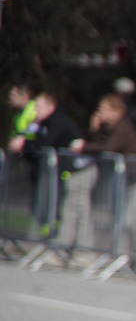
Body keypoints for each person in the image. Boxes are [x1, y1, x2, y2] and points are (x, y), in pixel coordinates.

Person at [81, 93, 136, 260]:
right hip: (132, 178)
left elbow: (108, 148)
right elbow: (104, 145)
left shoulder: (123, 127)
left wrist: (83, 146)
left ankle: (133, 260)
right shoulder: (113, 128)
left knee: (130, 220)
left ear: (116, 112)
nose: (98, 112)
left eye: (103, 109)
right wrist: (96, 130)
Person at [9, 89, 88, 239]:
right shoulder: (41, 122)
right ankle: (50, 240)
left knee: (71, 209)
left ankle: (63, 244)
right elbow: (37, 143)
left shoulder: (58, 120)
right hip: (57, 171)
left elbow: (47, 143)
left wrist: (24, 144)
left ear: (51, 105)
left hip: (75, 170)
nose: (35, 110)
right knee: (47, 206)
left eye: (39, 106)